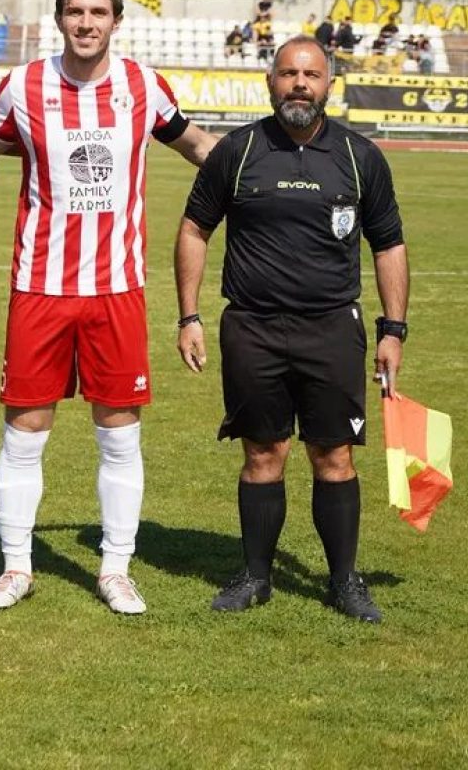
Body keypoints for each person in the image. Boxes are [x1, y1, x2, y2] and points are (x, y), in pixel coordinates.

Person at [0, 0, 218, 614]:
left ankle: (116, 569)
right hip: (41, 287)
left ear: (116, 20)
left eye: (98, 13)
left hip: (117, 289)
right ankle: (15, 568)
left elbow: (199, 145)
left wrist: (263, 172)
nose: (86, 24)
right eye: (75, 12)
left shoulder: (144, 86)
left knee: (119, 434)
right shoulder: (24, 86)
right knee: (24, 432)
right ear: (59, 18)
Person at [174, 34, 410, 624]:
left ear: (329, 84)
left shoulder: (359, 156)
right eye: (288, 74)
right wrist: (189, 316)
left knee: (334, 455)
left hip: (332, 329)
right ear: (270, 82)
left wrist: (393, 329)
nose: (299, 84)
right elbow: (194, 229)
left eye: (310, 75)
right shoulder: (238, 151)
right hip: (252, 328)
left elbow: (388, 244)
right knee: (262, 453)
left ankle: (344, 581)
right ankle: (255, 576)